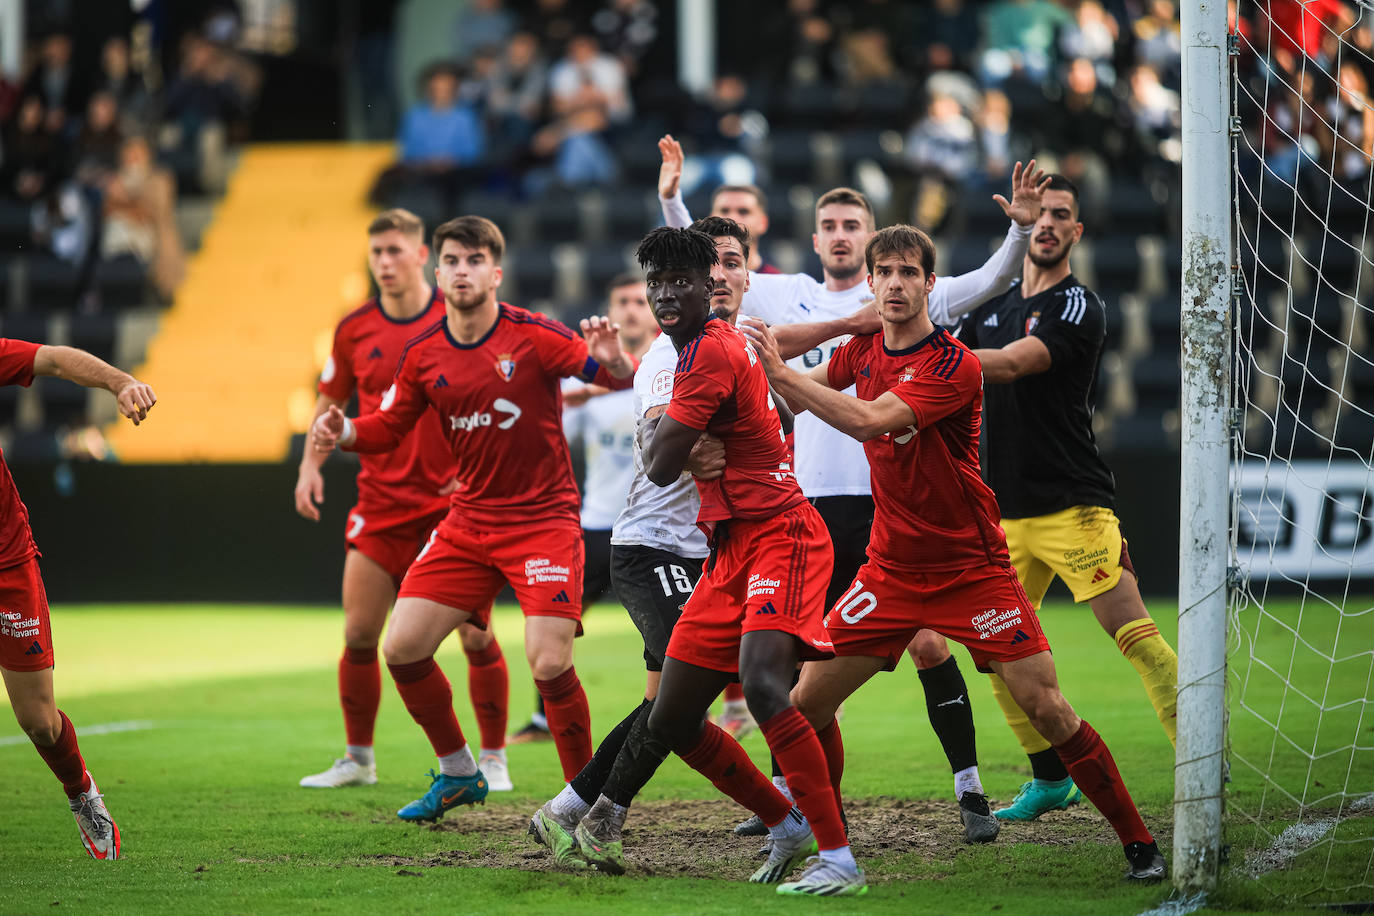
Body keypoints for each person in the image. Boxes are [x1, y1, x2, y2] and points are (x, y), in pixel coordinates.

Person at [742, 224, 1167, 882]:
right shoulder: (862, 349)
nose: (894, 282)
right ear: (872, 282)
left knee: (1048, 707)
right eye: (884, 271)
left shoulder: (954, 363)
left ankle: (1139, 842)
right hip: (889, 572)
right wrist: (767, 377)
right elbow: (800, 395)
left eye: (909, 272)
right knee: (804, 707)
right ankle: (832, 847)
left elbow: (868, 420)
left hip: (972, 571)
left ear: (929, 285)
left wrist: (779, 373)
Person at [661, 137, 1051, 839]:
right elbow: (709, 265)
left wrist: (1021, 229)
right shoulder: (785, 291)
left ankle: (967, 788)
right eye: (831, 226)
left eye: (853, 226)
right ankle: (801, 801)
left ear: (873, 241)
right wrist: (672, 199)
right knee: (805, 665)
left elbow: (991, 280)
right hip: (805, 505)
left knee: (929, 647)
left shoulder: (907, 295)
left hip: (885, 510)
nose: (841, 236)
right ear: (816, 240)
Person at [529, 216, 868, 871]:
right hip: (714, 546)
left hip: (776, 535)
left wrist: (704, 440)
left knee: (767, 689)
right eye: (653, 284)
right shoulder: (695, 349)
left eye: (677, 282)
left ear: (710, 285)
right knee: (674, 713)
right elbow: (690, 438)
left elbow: (659, 460)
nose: (662, 296)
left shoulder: (706, 350)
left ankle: (834, 852)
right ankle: (785, 822)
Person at [310, 215, 636, 822]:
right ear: (439, 272)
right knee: (401, 647)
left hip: (543, 520)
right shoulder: (423, 353)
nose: (463, 271)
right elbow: (389, 427)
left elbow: (615, 378)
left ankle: (587, 806)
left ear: (496, 272)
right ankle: (460, 771)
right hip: (469, 522)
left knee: (548, 662)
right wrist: (346, 430)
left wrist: (615, 363)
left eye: (474, 261)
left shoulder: (534, 335)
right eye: (453, 261)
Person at [930, 176, 1180, 821]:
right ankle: (1049, 777)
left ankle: (1200, 754)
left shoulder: (1078, 306)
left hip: (1073, 506)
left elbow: (1013, 364)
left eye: (1060, 215)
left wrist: (929, 361)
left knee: (1135, 637)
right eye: (1037, 215)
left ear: (1076, 232)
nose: (1046, 224)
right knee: (992, 652)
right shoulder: (991, 306)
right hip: (1002, 514)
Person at [295, 209, 513, 793]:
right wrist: (309, 465)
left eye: (396, 251)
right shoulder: (353, 330)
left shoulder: (457, 320)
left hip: (454, 507)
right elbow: (329, 402)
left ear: (422, 256)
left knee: (476, 636)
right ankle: (358, 759)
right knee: (361, 632)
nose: (385, 263)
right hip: (382, 501)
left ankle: (493, 757)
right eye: (376, 254)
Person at [1, 339, 157, 860]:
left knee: (39, 721)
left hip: (5, 560)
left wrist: (119, 381)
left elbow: (53, 359)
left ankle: (81, 791)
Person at [509, 273, 655, 744]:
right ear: (609, 313)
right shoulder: (588, 383)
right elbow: (551, 436)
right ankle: (541, 717)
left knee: (679, 627)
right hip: (596, 525)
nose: (632, 309)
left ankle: (698, 709)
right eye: (623, 302)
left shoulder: (669, 366)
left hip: (656, 528)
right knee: (560, 624)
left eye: (640, 300)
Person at [657, 136, 779, 273]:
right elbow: (685, 241)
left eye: (743, 211)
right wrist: (669, 199)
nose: (732, 217)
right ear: (711, 218)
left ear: (763, 222)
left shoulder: (780, 284)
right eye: (724, 210)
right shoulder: (696, 280)